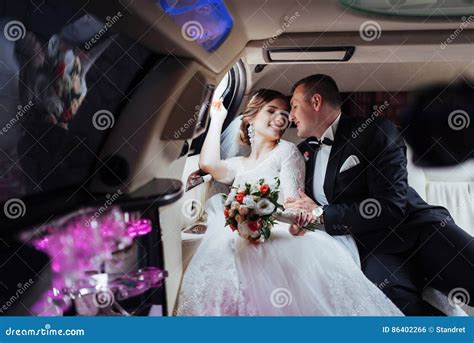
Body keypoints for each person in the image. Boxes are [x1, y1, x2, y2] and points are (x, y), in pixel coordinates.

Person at [176, 89, 402, 316]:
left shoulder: (288, 152)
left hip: (281, 225)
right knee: (223, 255)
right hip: (243, 229)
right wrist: (217, 118)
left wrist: (266, 215)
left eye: (285, 113)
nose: (281, 118)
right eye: (271, 111)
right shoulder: (238, 164)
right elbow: (209, 164)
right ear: (251, 117)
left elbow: (294, 203)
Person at [285, 74, 474, 316]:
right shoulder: (303, 156)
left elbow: (390, 205)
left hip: (418, 230)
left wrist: (321, 214)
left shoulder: (375, 131)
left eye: (294, 106)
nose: (290, 116)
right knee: (391, 305)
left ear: (316, 101)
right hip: (374, 249)